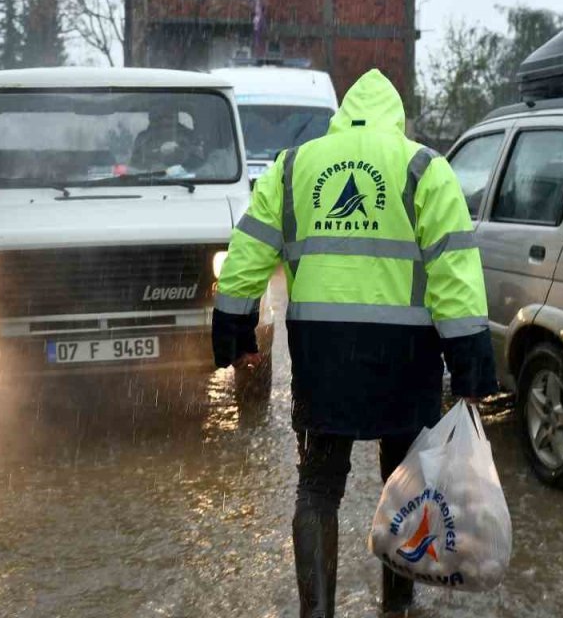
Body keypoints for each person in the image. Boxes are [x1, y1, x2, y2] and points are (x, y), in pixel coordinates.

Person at [211, 69, 497, 617]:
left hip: (322, 357)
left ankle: (316, 613)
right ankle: (397, 606)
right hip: (406, 359)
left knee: (318, 488)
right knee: (407, 481)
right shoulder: (422, 167)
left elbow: (247, 251)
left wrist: (235, 332)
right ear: (398, 118)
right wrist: (471, 369)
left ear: (342, 114)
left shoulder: (293, 166)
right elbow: (454, 271)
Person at [130, 103, 202, 171]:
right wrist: (155, 158)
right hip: (149, 180)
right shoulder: (144, 139)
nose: (165, 120)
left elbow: (201, 163)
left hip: (190, 179)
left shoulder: (189, 136)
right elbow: (134, 166)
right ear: (152, 118)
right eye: (160, 117)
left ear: (176, 117)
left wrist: (184, 154)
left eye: (169, 116)